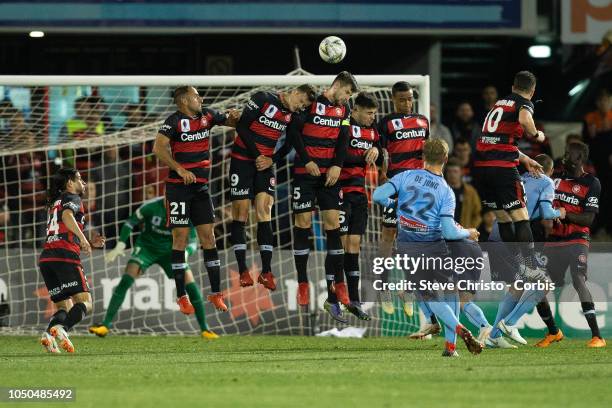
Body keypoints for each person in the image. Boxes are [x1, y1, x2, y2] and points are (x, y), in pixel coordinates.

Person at [373, 139, 482, 357]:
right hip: (433, 246)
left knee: (430, 296)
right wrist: (468, 232)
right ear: (445, 159)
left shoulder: (405, 176)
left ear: (422, 157)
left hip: (407, 247)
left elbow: (377, 196)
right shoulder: (446, 191)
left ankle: (461, 330)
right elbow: (450, 232)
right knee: (450, 290)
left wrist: (394, 206)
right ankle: (451, 347)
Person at [153, 85, 239, 313]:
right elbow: (158, 148)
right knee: (180, 238)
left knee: (209, 238)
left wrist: (237, 116)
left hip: (201, 189)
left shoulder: (208, 115)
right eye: (195, 95)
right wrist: (180, 169)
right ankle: (181, 296)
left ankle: (216, 293)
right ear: (183, 100)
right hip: (178, 190)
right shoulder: (173, 121)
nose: (200, 98)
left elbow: (232, 122)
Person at [89, 196, 218, 340]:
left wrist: (187, 253)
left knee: (190, 284)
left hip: (172, 251)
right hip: (146, 248)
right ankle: (105, 325)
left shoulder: (184, 210)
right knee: (127, 278)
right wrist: (121, 244)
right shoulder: (151, 206)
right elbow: (131, 222)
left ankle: (205, 329)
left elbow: (193, 241)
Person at [285, 71, 358, 322]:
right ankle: (303, 282)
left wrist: (337, 165)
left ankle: (340, 284)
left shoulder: (344, 110)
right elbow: (294, 133)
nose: (347, 98)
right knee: (302, 224)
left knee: (333, 225)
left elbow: (344, 139)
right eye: (347, 92)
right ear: (337, 85)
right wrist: (307, 161)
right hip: (305, 174)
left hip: (329, 176)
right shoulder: (312, 102)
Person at [229, 84, 315, 291]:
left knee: (265, 209)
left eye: (304, 106)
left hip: (265, 165)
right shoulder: (263, 98)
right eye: (301, 101)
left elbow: (290, 143)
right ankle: (243, 270)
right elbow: (241, 126)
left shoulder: (291, 116)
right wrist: (257, 154)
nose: (300, 107)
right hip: (242, 160)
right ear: (295, 92)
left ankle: (266, 271)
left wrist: (272, 159)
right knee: (241, 212)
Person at [472, 71, 548, 282]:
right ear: (532, 92)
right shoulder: (523, 103)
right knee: (521, 218)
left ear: (513, 86)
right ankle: (530, 267)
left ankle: (518, 265)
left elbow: (497, 141)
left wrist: (524, 159)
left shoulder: (499, 104)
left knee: (503, 218)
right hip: (503, 169)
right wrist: (536, 134)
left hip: (482, 168)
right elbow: (525, 120)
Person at [485, 154, 564, 348]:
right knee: (543, 284)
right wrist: (559, 213)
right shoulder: (547, 182)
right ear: (550, 171)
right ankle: (510, 323)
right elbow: (546, 212)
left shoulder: (517, 178)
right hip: (513, 240)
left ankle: (493, 336)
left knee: (516, 286)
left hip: (496, 236)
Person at [535, 142, 606, 348]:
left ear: (580, 158)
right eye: (564, 152)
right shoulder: (554, 180)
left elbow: (588, 219)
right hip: (554, 241)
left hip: (577, 239)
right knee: (537, 283)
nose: (564, 156)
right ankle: (553, 332)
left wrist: (566, 215)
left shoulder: (592, 183)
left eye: (569, 154)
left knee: (578, 280)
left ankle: (597, 336)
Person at [376, 81, 430, 314]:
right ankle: (384, 286)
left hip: (418, 187)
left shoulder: (423, 121)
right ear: (393, 99)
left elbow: (428, 152)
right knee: (389, 234)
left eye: (410, 99)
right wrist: (382, 173)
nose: (407, 103)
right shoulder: (385, 124)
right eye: (402, 99)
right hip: (396, 185)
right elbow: (379, 155)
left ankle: (408, 288)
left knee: (414, 237)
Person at [39, 168, 105, 353]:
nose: (83, 183)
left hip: (47, 259)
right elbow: (67, 217)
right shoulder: (72, 198)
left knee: (63, 306)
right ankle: (61, 329)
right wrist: (84, 239)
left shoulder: (55, 202)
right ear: (69, 183)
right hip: (64, 256)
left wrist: (88, 242)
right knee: (86, 302)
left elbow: (62, 231)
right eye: (80, 179)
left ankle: (49, 335)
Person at [337, 92, 383, 321]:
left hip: (360, 194)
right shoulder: (344, 125)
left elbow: (381, 155)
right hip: (340, 192)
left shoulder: (374, 132)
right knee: (341, 245)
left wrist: (377, 150)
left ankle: (354, 300)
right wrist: (365, 155)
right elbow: (339, 156)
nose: (372, 118)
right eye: (368, 113)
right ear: (355, 110)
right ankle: (336, 295)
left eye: (374, 113)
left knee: (354, 245)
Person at [444, 157, 481, 229]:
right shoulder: (440, 191)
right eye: (449, 171)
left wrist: (469, 231)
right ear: (446, 173)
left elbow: (477, 215)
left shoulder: (470, 192)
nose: (452, 175)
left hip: (463, 235)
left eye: (455, 171)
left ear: (461, 172)